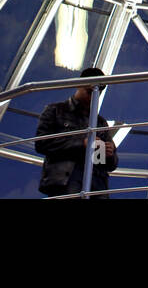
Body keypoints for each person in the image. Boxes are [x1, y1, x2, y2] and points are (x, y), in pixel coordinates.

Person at [35, 66, 118, 198]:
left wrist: (109, 154)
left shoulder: (100, 122)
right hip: (67, 181)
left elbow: (109, 164)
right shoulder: (55, 110)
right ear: (79, 85)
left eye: (97, 93)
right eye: (89, 91)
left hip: (96, 184)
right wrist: (82, 144)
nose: (93, 97)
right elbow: (42, 143)